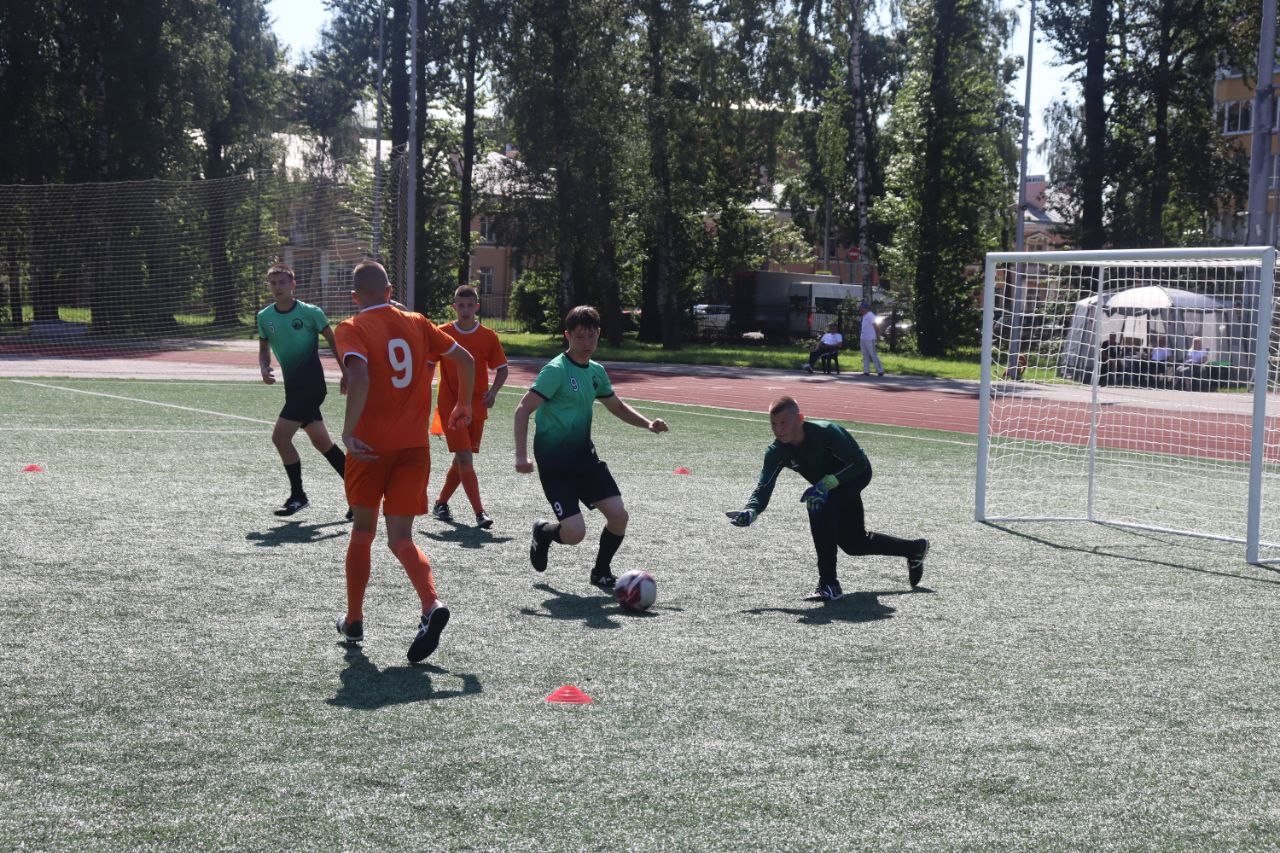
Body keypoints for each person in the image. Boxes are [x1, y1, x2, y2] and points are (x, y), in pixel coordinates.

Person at [333, 260, 476, 663]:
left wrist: (348, 431)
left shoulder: (352, 327)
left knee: (363, 532)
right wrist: (464, 404)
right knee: (401, 539)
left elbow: (359, 377)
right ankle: (431, 605)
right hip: (413, 448)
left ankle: (355, 619)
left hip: (370, 448)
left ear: (355, 297)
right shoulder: (417, 322)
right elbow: (465, 360)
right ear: (390, 291)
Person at [513, 305, 669, 588]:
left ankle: (601, 571)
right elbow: (523, 410)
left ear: (599, 334)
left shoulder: (596, 371)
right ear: (567, 335)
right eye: (580, 337)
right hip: (555, 465)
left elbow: (617, 407)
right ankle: (544, 532)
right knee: (575, 534)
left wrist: (648, 424)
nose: (587, 343)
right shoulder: (556, 370)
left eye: (592, 336)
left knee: (619, 516)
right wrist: (521, 456)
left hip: (585, 459)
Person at [726, 396, 928, 601]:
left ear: (800, 419)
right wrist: (752, 510)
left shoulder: (827, 432)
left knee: (817, 503)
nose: (778, 429)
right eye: (773, 424)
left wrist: (826, 484)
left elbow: (858, 463)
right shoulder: (776, 451)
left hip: (856, 475)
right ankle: (914, 549)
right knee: (854, 544)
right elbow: (764, 485)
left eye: (784, 422)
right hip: (830, 487)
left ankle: (829, 584)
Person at [256, 263, 349, 517]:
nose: (277, 287)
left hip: (312, 387)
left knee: (280, 437)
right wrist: (264, 367)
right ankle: (360, 494)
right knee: (322, 443)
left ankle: (298, 496)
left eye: (282, 282)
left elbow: (334, 342)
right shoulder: (264, 316)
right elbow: (264, 349)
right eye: (273, 283)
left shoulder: (311, 312)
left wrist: (346, 372)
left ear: (293, 285)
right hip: (293, 388)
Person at [430, 285, 509, 529]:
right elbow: (428, 365)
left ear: (477, 307)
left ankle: (441, 503)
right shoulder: (442, 333)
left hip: (477, 405)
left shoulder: (488, 336)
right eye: (460, 306)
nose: (465, 310)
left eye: (469, 305)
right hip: (450, 405)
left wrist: (493, 392)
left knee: (462, 457)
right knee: (464, 457)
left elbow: (502, 369)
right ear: (454, 307)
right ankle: (479, 513)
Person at [858, 304, 885, 376]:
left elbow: (875, 325)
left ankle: (880, 370)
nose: (859, 310)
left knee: (873, 354)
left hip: (870, 338)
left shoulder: (870, 315)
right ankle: (866, 371)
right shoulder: (864, 316)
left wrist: (878, 335)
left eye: (861, 308)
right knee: (865, 355)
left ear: (865, 308)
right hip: (863, 338)